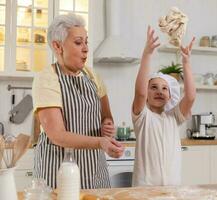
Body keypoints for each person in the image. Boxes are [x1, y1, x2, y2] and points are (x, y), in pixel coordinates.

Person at [32, 13, 124, 189]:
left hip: (94, 172)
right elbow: (57, 135)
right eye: (78, 42)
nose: (86, 48)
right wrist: (100, 142)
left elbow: (107, 117)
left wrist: (107, 126)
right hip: (57, 173)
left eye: (86, 42)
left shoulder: (92, 76)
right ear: (58, 46)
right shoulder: (47, 79)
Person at [132, 26, 196, 186]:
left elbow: (190, 96)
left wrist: (186, 63)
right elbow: (139, 93)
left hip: (172, 189)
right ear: (146, 93)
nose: (159, 91)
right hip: (144, 190)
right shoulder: (142, 117)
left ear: (170, 96)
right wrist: (147, 54)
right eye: (153, 87)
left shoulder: (174, 117)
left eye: (164, 88)